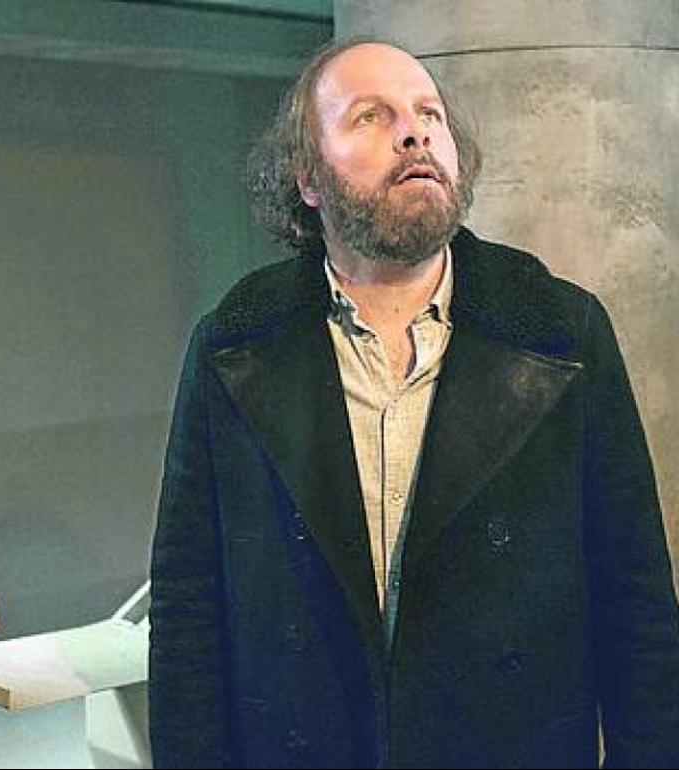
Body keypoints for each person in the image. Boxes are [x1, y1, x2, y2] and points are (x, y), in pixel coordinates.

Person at [148, 38, 679, 768]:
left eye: (429, 114)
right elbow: (188, 611)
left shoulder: (561, 332)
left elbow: (636, 604)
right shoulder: (235, 346)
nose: (414, 134)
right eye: (370, 116)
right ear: (307, 177)